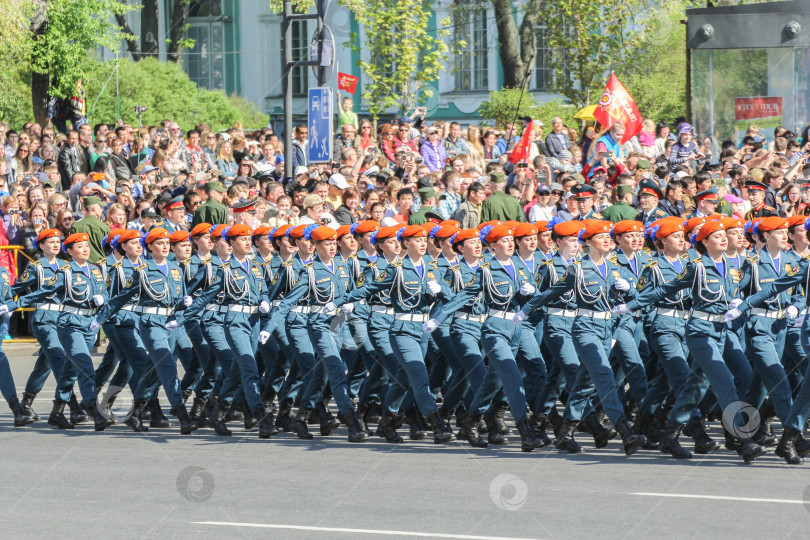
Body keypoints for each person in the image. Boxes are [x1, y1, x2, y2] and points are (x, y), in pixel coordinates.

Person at [614, 219, 767, 463]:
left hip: (722, 330)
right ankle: (742, 440)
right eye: (717, 236)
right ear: (705, 242)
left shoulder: (735, 267)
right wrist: (630, 305)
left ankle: (671, 435)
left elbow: (760, 288)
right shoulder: (696, 267)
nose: (723, 239)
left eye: (723, 235)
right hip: (700, 331)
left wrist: (743, 302)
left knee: (694, 387)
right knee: (724, 381)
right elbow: (663, 290)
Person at [518, 220, 648, 456]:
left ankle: (565, 434)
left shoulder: (615, 268)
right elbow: (551, 293)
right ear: (587, 242)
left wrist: (630, 290)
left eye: (608, 237)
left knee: (583, 382)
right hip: (585, 327)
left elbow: (632, 301)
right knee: (604, 376)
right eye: (600, 237)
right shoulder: (577, 268)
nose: (607, 240)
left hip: (607, 328)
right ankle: (625, 432)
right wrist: (525, 311)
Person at [0, 232, 113, 431]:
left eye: (56, 242)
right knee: (62, 361)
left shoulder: (68, 267)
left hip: (64, 318)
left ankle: (30, 404)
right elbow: (18, 290)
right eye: (50, 242)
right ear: (41, 246)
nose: (54, 244)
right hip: (45, 319)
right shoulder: (37, 266)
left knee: (46, 365)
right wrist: (10, 305)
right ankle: (77, 407)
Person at [69, 196, 111, 265]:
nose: (102, 209)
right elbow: (109, 250)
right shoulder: (104, 227)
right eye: (100, 207)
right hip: (101, 265)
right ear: (94, 209)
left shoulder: (76, 226)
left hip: (81, 265)